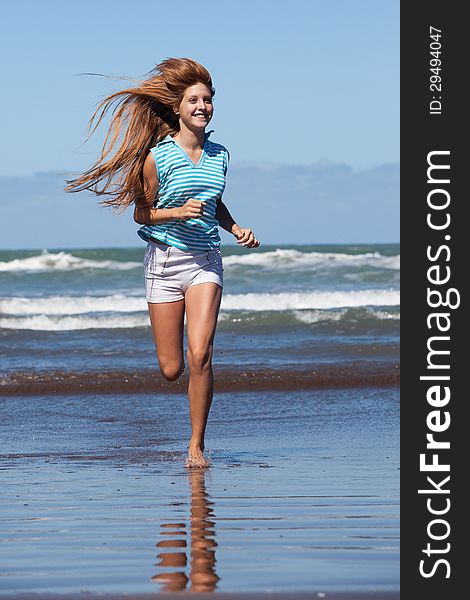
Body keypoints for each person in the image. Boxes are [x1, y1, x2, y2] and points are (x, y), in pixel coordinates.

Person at [64, 57, 260, 468]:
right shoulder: (157, 157)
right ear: (177, 108)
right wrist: (175, 213)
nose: (203, 106)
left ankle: (196, 445)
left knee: (200, 354)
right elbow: (142, 213)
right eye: (194, 100)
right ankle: (185, 418)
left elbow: (215, 202)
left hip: (205, 261)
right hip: (165, 264)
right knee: (172, 369)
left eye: (208, 100)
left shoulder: (221, 155)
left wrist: (235, 227)